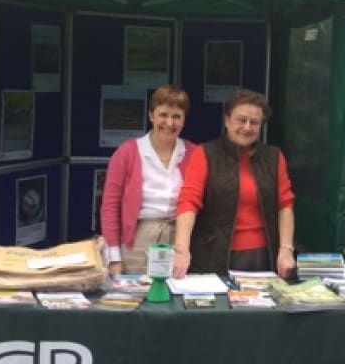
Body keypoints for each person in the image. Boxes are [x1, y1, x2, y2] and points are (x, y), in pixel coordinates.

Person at [172, 89, 296, 278]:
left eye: (254, 122)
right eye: (241, 119)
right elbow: (189, 201)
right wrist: (182, 249)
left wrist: (286, 249)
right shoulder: (205, 153)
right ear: (227, 120)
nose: (247, 127)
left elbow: (285, 205)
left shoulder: (274, 157)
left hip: (264, 257)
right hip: (212, 256)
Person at [100, 85, 195, 275]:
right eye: (163, 115)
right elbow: (110, 207)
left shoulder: (194, 153)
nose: (169, 123)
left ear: (184, 120)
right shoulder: (127, 153)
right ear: (151, 115)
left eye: (177, 116)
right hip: (136, 241)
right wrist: (114, 258)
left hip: (180, 241)